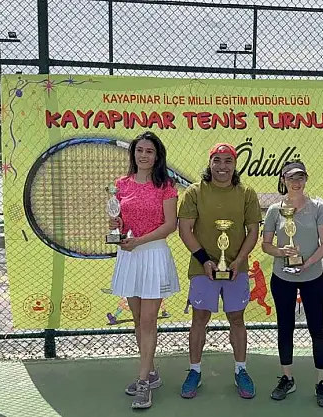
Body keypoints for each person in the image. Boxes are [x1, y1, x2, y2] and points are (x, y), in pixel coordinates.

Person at [177, 143, 261, 400]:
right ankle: (194, 371)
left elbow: (253, 231)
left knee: (236, 318)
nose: (222, 166)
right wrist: (204, 260)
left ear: (235, 164)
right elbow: (185, 230)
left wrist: (239, 261)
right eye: (217, 160)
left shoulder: (247, 193)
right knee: (200, 318)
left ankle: (241, 370)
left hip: (236, 269)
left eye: (228, 161)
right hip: (202, 268)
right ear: (210, 163)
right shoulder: (194, 192)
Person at [109, 131, 181, 409]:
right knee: (139, 321)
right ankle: (150, 373)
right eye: (139, 150)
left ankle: (142, 383)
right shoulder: (121, 185)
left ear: (157, 156)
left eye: (149, 151)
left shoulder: (166, 185)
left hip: (154, 255)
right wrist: (117, 226)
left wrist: (140, 241)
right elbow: (121, 220)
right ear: (133, 153)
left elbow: (170, 225)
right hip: (129, 257)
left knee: (149, 321)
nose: (143, 155)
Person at [261, 160, 323, 407]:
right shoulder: (274, 211)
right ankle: (287, 378)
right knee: (285, 327)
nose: (296, 182)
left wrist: (307, 263)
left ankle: (321, 382)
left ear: (306, 179)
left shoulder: (318, 209)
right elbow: (266, 245)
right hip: (282, 278)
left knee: (317, 329)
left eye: (300, 177)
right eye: (291, 177)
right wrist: (281, 252)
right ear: (283, 180)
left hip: (313, 278)